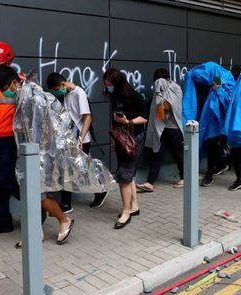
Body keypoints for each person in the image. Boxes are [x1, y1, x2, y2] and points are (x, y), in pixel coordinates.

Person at [0, 66, 74, 245]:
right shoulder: (24, 94)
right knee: (31, 194)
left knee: (39, 195)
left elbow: (38, 128)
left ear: (14, 82)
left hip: (37, 154)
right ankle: (36, 232)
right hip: (28, 153)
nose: (4, 93)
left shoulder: (32, 96)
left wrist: (37, 154)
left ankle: (63, 219)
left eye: (5, 89)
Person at [0, 42, 46, 238]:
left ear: (7, 63)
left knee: (7, 180)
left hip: (10, 141)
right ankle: (2, 221)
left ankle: (36, 209)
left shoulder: (20, 84)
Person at [46, 73, 109, 211]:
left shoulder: (79, 93)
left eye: (57, 89)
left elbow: (87, 117)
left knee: (81, 170)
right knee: (66, 170)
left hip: (81, 141)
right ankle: (66, 203)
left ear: (62, 84)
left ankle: (100, 190)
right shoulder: (67, 94)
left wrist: (81, 137)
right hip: (70, 139)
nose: (57, 92)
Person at [103, 68, 147, 229]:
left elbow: (144, 117)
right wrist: (115, 140)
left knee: (124, 175)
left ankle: (126, 212)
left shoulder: (135, 96)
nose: (108, 87)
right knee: (128, 173)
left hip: (134, 138)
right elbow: (114, 121)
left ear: (117, 82)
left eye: (109, 84)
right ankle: (134, 206)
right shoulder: (115, 97)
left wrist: (127, 122)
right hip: (121, 138)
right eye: (106, 85)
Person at [182, 62, 235, 187]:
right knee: (212, 146)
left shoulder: (224, 79)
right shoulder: (213, 80)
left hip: (218, 122)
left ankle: (210, 173)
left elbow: (229, 99)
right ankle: (215, 168)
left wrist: (218, 90)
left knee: (213, 146)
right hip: (209, 121)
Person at [136, 69, 183, 193]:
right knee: (157, 154)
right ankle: (150, 182)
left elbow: (167, 108)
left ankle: (185, 178)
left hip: (173, 128)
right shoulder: (161, 89)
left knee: (177, 154)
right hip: (161, 129)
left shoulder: (175, 88)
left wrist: (160, 93)